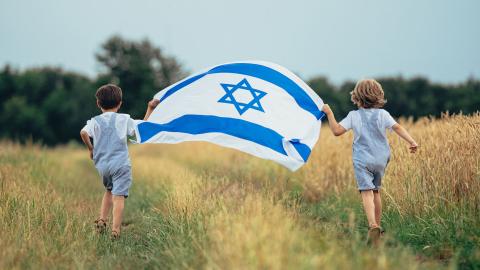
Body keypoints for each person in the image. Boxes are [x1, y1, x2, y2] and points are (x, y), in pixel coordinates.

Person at [321, 79, 418, 245]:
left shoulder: (354, 116)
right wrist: (412, 141)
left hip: (362, 159)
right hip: (381, 158)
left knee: (366, 192)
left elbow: (337, 131)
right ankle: (378, 228)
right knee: (376, 191)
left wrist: (329, 113)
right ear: (379, 95)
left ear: (356, 96)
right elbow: (398, 128)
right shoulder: (383, 114)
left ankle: (372, 224)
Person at [80, 84, 159, 239]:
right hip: (121, 164)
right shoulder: (124, 119)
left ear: (98, 103)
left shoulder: (94, 121)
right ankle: (115, 230)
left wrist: (91, 148)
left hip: (103, 165)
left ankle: (102, 220)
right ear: (120, 103)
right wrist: (150, 108)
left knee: (109, 190)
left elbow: (83, 132)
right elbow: (141, 128)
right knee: (119, 196)